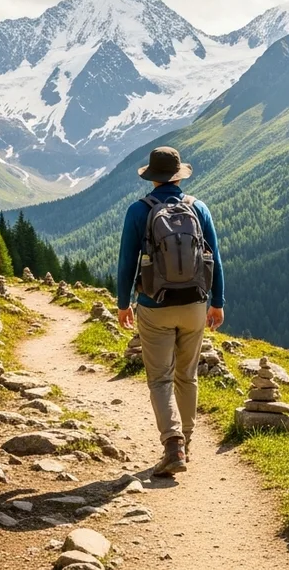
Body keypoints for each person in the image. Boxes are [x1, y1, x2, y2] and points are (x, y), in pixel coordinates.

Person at [117, 146, 225, 477]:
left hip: (154, 306)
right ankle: (186, 444)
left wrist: (123, 303)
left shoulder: (139, 211)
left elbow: (127, 262)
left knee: (160, 378)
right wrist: (217, 303)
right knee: (187, 376)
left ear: (152, 177)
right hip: (195, 304)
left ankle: (173, 444)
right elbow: (214, 259)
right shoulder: (198, 208)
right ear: (178, 175)